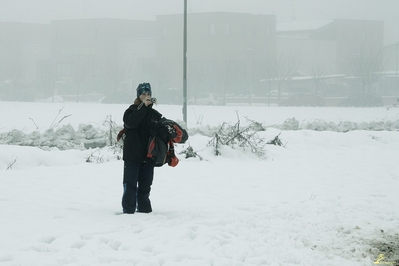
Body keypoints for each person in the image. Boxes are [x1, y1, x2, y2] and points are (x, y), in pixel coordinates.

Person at [121, 82, 165, 214]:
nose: (146, 96)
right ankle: (128, 210)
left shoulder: (155, 115)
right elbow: (131, 123)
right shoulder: (131, 111)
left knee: (145, 186)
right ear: (138, 96)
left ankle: (144, 210)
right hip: (132, 155)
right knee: (130, 184)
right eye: (143, 94)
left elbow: (161, 133)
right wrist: (143, 108)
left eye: (148, 94)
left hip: (149, 155)